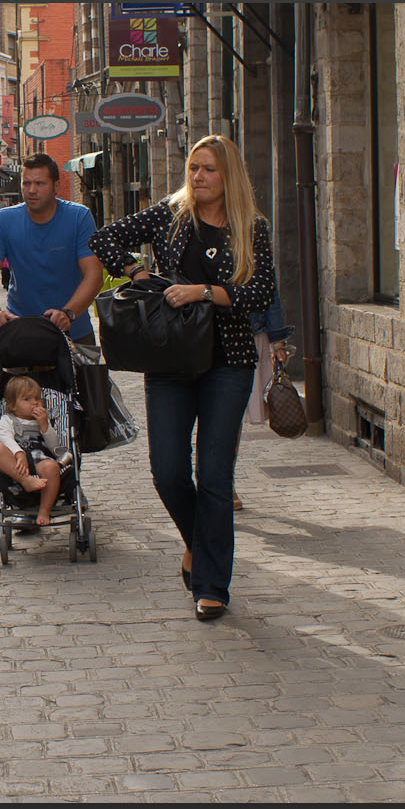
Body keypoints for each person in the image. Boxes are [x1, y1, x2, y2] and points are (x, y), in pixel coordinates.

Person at [87, 134, 277, 622]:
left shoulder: (250, 228)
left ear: (228, 174)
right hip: (170, 357)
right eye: (193, 168)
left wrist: (201, 292)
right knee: (168, 471)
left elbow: (259, 293)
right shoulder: (171, 215)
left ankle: (212, 584)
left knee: (213, 476)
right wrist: (136, 272)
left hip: (228, 361)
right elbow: (102, 237)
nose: (197, 177)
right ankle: (197, 541)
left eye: (208, 169)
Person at [0, 153, 103, 359]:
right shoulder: (3, 220)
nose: (32, 190)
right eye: (27, 183)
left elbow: (94, 275)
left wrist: (68, 313)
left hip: (74, 332)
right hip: (20, 330)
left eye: (40, 183)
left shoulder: (79, 217)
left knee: (91, 390)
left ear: (56, 187)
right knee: (15, 390)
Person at [235, 284, 296, 511]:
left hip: (248, 333)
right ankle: (214, 481)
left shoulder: (252, 248)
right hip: (202, 331)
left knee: (231, 416)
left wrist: (277, 341)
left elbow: (268, 290)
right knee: (214, 414)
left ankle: (222, 482)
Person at [0, 374, 71, 526]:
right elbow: (6, 438)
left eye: (37, 399)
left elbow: (54, 448)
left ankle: (44, 510)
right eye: (27, 399)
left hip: (38, 456)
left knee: (51, 467)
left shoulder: (41, 420)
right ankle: (26, 481)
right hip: (15, 458)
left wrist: (45, 425)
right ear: (13, 405)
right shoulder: (7, 420)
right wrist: (18, 453)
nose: (34, 403)